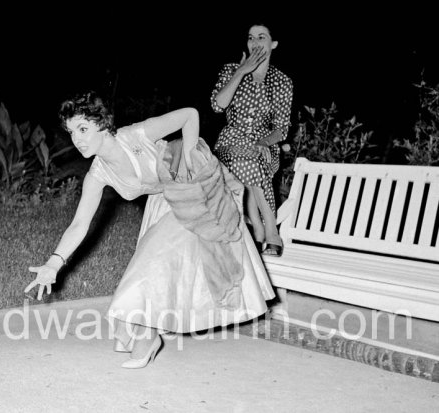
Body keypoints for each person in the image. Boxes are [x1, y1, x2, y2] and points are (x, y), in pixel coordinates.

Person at [25, 91, 275, 369]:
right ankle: (140, 327)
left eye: (83, 129)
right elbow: (79, 224)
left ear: (103, 125)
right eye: (72, 132)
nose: (77, 139)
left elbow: (190, 114)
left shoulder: (136, 135)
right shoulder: (97, 174)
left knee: (151, 262)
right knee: (153, 262)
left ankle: (148, 337)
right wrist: (53, 263)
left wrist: (190, 157)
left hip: (197, 188)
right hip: (166, 201)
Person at [211, 21, 293, 256]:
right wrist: (241, 71)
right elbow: (218, 105)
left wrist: (263, 142)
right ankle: (268, 228)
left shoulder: (282, 82)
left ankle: (257, 224)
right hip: (230, 139)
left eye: (261, 37)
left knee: (253, 157)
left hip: (264, 143)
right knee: (245, 157)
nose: (255, 43)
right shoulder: (230, 70)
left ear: (273, 44)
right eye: (251, 38)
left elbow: (281, 128)